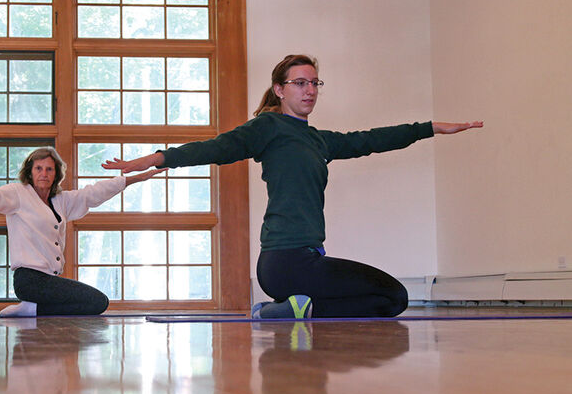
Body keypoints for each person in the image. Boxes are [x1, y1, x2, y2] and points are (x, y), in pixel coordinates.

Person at [102, 54, 483, 319]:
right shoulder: (267, 129)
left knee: (388, 299)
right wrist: (158, 158)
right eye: (300, 83)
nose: (310, 90)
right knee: (394, 296)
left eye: (314, 82)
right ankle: (289, 308)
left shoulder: (319, 140)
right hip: (283, 262)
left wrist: (430, 128)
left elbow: (370, 139)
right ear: (280, 90)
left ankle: (295, 308)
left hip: (307, 259)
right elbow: (218, 148)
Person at [0, 146, 164, 317]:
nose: (44, 173)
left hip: (49, 281)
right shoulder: (17, 195)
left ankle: (32, 309)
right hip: (29, 280)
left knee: (94, 305)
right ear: (30, 171)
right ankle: (30, 306)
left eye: (49, 169)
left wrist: (132, 179)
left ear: (56, 173)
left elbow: (93, 193)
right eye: (39, 168)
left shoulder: (62, 200)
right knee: (98, 301)